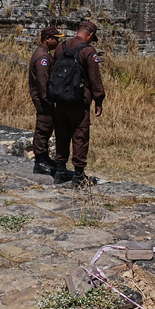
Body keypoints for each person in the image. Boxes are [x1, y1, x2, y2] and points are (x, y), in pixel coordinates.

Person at [52, 19, 105, 187]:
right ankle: (79, 175)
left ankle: (60, 171)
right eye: (92, 37)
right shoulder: (88, 51)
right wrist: (99, 99)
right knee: (80, 136)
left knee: (61, 133)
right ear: (89, 34)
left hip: (59, 99)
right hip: (79, 101)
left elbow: (53, 72)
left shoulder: (61, 47)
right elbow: (94, 78)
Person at [28, 26, 63, 175]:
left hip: (45, 99)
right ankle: (40, 161)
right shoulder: (42, 57)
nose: (58, 41)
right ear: (47, 39)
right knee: (43, 128)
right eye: (55, 38)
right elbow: (43, 83)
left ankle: (44, 157)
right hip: (44, 101)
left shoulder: (45, 53)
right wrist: (48, 101)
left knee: (47, 128)